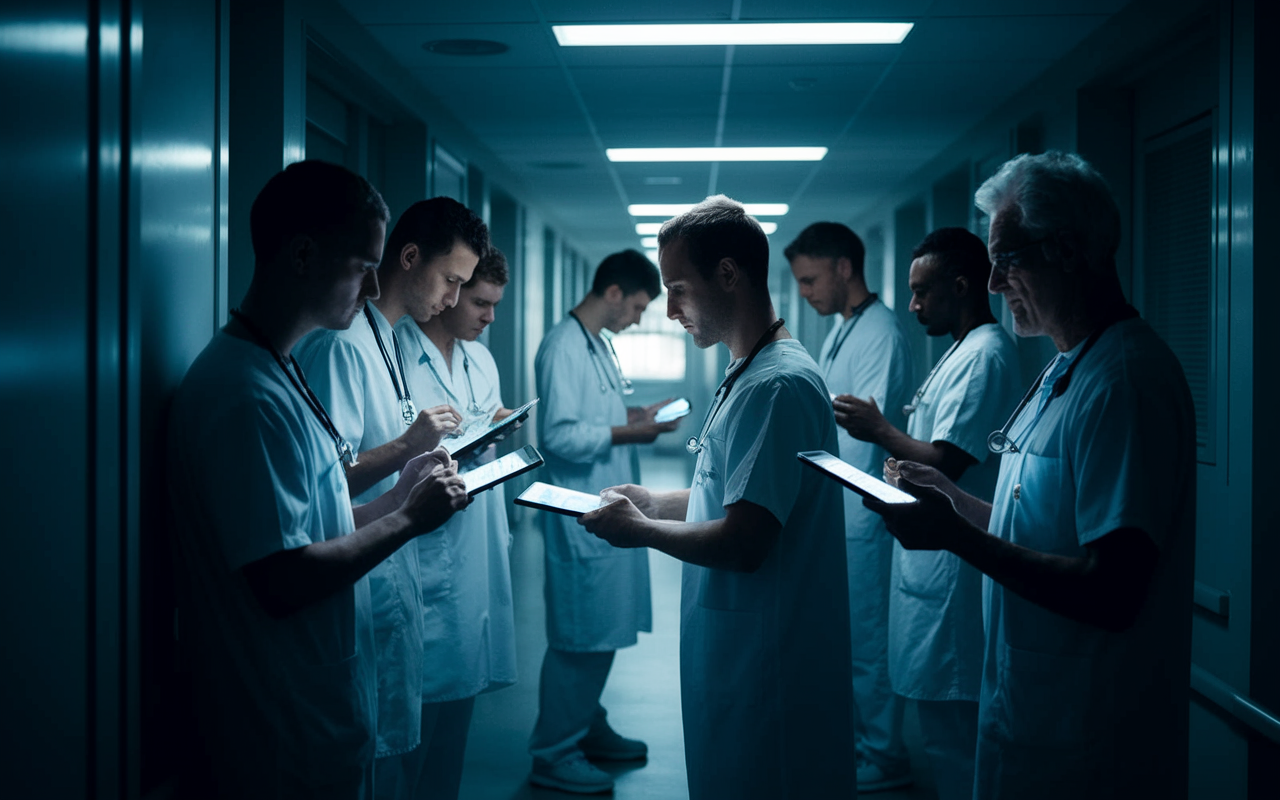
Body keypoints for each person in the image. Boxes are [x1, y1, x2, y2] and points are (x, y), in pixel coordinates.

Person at [866, 151, 1194, 799]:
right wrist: (953, 500)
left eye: (1007, 259)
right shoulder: (1062, 370)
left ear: (1067, 250)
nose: (991, 284)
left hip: (1090, 737)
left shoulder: (1123, 383)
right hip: (1031, 712)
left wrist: (954, 537)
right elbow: (1044, 528)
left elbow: (1113, 588)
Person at [167, 160, 469, 800]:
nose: (369, 290)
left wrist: (397, 497)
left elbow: (313, 518)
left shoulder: (280, 373)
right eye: (362, 267)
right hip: (280, 724)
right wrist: (411, 520)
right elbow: (282, 578)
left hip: (318, 704)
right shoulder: (245, 395)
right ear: (304, 254)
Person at [580, 196, 856, 800]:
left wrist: (640, 531)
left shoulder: (777, 385)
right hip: (738, 651)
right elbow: (729, 493)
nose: (671, 309)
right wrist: (652, 503)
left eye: (678, 288)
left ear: (728, 275)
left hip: (770, 664)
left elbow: (745, 540)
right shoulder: (749, 372)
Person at [293, 196, 490, 800]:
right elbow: (325, 482)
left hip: (390, 571)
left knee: (397, 762)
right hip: (356, 575)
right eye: (451, 280)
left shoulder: (387, 339)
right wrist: (409, 446)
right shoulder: (343, 346)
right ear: (409, 258)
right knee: (371, 767)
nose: (455, 300)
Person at [833, 227, 1022, 800]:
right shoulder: (959, 350)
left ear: (962, 287)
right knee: (943, 730)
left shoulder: (986, 354)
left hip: (957, 568)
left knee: (956, 733)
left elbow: (948, 462)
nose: (912, 305)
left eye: (923, 293)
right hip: (932, 564)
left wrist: (880, 431)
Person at [528, 249, 681, 794]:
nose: (637, 319)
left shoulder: (598, 344)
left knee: (602, 629)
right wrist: (626, 432)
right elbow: (561, 436)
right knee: (581, 635)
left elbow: (595, 419)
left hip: (604, 506)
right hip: (579, 514)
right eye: (637, 307)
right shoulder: (563, 346)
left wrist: (637, 419)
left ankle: (586, 724)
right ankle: (553, 751)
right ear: (612, 292)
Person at [785, 221, 914, 792]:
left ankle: (884, 756)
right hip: (839, 508)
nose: (806, 292)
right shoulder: (846, 326)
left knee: (867, 640)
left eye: (811, 280)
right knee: (849, 638)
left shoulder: (880, 332)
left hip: (861, 511)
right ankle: (865, 743)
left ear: (844, 267)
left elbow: (867, 434)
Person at [394, 244, 520, 799]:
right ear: (448, 295)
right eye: (480, 303)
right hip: (422, 546)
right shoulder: (396, 350)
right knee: (412, 714)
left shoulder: (480, 359)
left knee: (458, 707)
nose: (490, 318)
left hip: (476, 541)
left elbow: (478, 427)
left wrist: (496, 426)